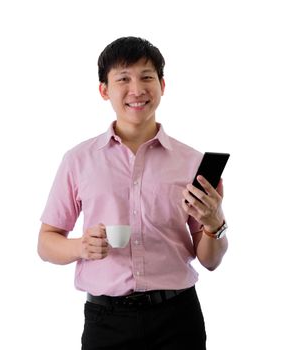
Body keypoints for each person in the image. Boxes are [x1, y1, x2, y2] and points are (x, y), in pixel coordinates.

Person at [37, 36, 229, 350]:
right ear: (104, 90)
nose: (136, 90)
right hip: (106, 320)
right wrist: (80, 247)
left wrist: (214, 223)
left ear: (163, 85)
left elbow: (210, 260)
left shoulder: (191, 161)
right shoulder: (78, 160)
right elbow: (46, 242)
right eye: (123, 79)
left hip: (178, 319)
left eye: (146, 77)